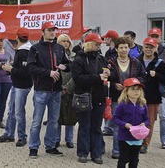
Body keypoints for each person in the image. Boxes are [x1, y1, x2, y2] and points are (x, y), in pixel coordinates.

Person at [27, 21, 70, 159]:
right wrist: (48, 73)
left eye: (54, 30)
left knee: (53, 120)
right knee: (36, 121)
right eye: (49, 30)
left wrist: (65, 67)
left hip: (56, 90)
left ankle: (50, 146)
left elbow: (68, 64)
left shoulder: (60, 48)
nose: (52, 32)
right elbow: (30, 68)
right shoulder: (35, 48)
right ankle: (33, 147)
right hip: (41, 90)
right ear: (43, 32)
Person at [71, 33, 108, 164]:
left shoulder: (102, 59)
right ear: (88, 43)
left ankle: (97, 153)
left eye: (99, 44)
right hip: (84, 97)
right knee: (84, 126)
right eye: (96, 44)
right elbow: (78, 79)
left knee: (97, 127)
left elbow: (109, 73)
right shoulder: (79, 60)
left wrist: (109, 74)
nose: (98, 46)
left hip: (99, 97)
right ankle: (83, 152)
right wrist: (97, 77)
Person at [107, 37, 146, 159]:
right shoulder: (110, 62)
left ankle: (130, 150)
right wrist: (114, 85)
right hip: (116, 98)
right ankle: (117, 150)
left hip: (133, 98)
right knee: (118, 124)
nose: (123, 50)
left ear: (129, 48)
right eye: (121, 47)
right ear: (117, 49)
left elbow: (143, 78)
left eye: (126, 47)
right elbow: (106, 78)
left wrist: (133, 85)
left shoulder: (136, 62)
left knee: (133, 123)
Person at [0, 28, 33, 145]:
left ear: (17, 38)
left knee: (18, 112)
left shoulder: (25, 52)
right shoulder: (23, 50)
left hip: (22, 86)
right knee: (12, 110)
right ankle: (9, 134)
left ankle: (22, 136)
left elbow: (25, 71)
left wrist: (10, 69)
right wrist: (11, 68)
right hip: (17, 84)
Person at [137, 37, 165, 154]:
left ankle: (145, 143)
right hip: (137, 97)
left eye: (151, 47)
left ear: (155, 48)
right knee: (136, 120)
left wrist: (156, 75)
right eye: (146, 47)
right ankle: (137, 141)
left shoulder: (160, 63)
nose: (148, 49)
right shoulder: (136, 60)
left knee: (149, 122)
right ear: (143, 47)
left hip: (153, 98)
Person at [112, 78, 149, 168]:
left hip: (137, 138)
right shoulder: (122, 105)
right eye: (133, 89)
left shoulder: (142, 105)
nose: (136, 92)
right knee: (123, 159)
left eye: (138, 90)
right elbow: (115, 118)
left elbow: (147, 119)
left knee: (134, 159)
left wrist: (144, 124)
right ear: (126, 91)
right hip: (124, 137)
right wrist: (124, 124)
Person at [148, 27, 165, 149]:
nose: (154, 38)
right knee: (149, 118)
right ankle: (145, 142)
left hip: (161, 89)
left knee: (164, 116)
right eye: (152, 36)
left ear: (160, 37)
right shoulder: (146, 50)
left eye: (156, 36)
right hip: (150, 91)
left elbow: (164, 69)